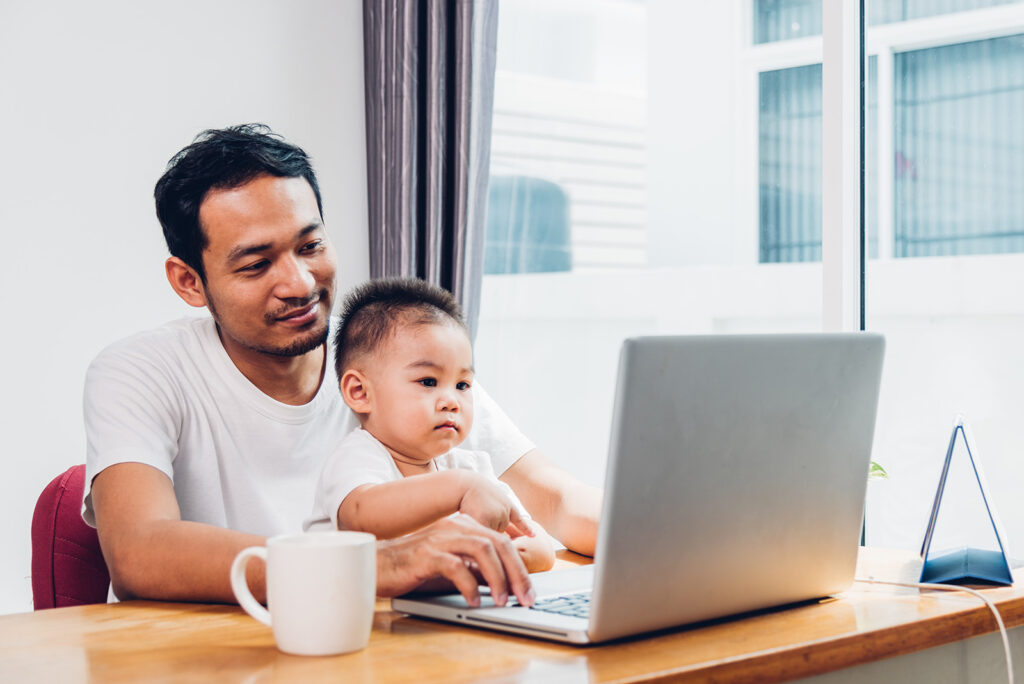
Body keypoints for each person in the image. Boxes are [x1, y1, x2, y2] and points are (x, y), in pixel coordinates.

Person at [84, 124, 600, 609]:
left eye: (311, 246)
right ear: (189, 282)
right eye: (256, 264)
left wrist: (662, 533)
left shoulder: (394, 354)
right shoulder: (139, 371)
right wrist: (375, 565)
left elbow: (553, 499)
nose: (300, 283)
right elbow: (139, 552)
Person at [305, 278, 556, 573]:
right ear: (360, 392)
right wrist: (460, 488)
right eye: (428, 382)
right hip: (351, 612)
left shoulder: (472, 467)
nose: (451, 401)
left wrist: (510, 554)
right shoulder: (357, 457)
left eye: (462, 384)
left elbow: (537, 542)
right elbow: (360, 515)